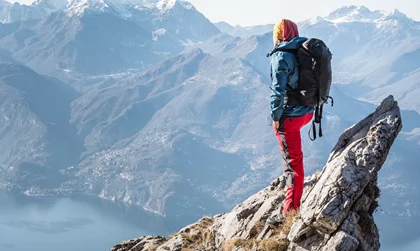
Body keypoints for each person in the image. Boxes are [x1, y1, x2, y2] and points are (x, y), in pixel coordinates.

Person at [266, 19, 315, 225]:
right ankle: (292, 195)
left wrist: (276, 118)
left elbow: (277, 92)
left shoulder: (281, 56)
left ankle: (289, 212)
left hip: (291, 118)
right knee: (293, 159)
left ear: (278, 34)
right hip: (308, 111)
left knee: (293, 163)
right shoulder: (304, 50)